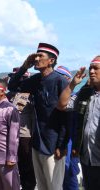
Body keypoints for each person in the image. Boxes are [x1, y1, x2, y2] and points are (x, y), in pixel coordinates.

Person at [8, 43, 69, 190]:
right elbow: (12, 86)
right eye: (36, 55)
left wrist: (62, 144)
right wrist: (25, 66)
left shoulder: (60, 81)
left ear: (51, 61)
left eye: (40, 56)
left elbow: (66, 116)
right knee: (42, 185)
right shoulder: (35, 80)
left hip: (53, 144)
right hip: (37, 142)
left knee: (54, 186)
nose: (36, 58)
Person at [57, 56, 100, 190]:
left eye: (96, 68)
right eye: (90, 68)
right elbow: (62, 105)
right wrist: (72, 85)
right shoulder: (84, 93)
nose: (91, 71)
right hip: (88, 159)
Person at [7, 67, 36, 190]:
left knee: (27, 165)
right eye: (14, 77)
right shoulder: (8, 95)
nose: (17, 80)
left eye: (20, 78)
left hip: (25, 135)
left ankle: (28, 186)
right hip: (9, 135)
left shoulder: (31, 95)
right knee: (12, 164)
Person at [55, 66, 80, 190]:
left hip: (69, 142)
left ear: (68, 79)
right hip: (58, 141)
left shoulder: (75, 98)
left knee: (69, 174)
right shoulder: (56, 97)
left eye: (60, 77)